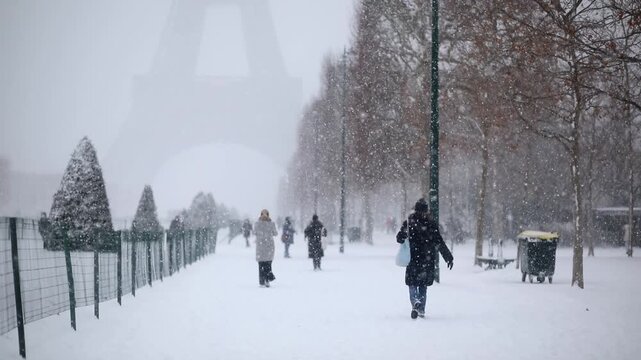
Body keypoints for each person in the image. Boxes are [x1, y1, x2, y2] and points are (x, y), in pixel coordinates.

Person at [397, 198, 453, 319]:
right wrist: (448, 257)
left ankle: (415, 302)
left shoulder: (409, 222)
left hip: (413, 258)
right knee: (422, 285)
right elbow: (439, 242)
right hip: (426, 259)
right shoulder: (431, 224)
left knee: (412, 284)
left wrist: (402, 235)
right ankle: (421, 308)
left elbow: (399, 238)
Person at [254, 209, 278, 287]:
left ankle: (262, 281)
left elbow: (254, 232)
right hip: (269, 246)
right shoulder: (271, 223)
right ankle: (267, 280)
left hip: (260, 246)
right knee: (268, 263)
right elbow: (275, 233)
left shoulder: (257, 224)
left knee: (261, 264)